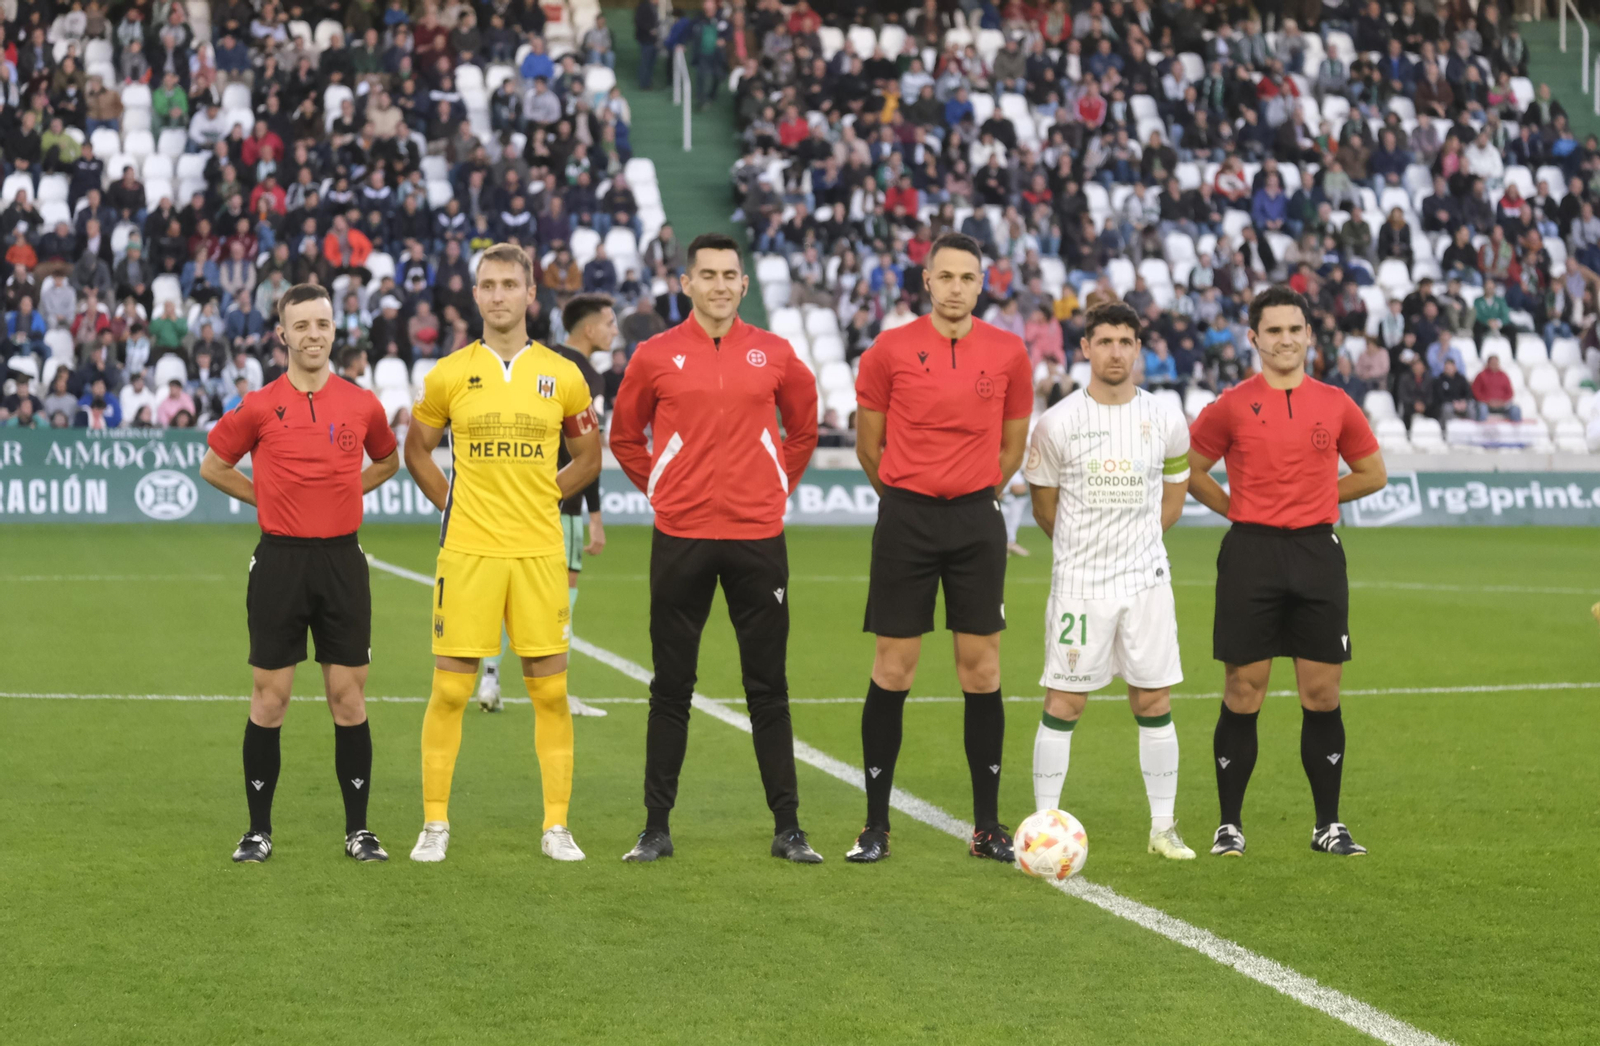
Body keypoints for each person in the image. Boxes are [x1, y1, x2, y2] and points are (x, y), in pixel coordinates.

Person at [609, 233, 822, 864]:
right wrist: (666, 489)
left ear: (744, 284)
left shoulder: (776, 353)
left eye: (730, 275)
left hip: (758, 537)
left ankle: (788, 828)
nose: (720, 285)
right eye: (708, 275)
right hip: (682, 536)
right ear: (687, 284)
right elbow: (625, 438)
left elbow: (804, 427)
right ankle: (655, 828)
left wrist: (775, 482)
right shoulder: (654, 355)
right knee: (671, 685)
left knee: (768, 686)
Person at [404, 244, 603, 864]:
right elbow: (416, 450)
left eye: (509, 285)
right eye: (487, 285)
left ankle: (556, 827)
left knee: (548, 692)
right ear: (476, 295)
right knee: (451, 692)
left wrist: (550, 496)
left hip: (539, 552)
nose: (497, 295)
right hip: (468, 553)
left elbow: (589, 458)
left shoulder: (563, 374)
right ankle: (435, 824)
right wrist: (451, 504)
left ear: (529, 295)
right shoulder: (447, 373)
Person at [846, 232, 1032, 864]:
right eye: (945, 277)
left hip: (977, 522)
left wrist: (971, 494)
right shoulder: (889, 349)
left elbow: (1011, 449)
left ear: (982, 285)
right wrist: (910, 496)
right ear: (926, 282)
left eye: (968, 278)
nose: (956, 288)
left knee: (981, 668)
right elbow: (869, 448)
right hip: (906, 521)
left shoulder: (1009, 352)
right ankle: (875, 825)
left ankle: (987, 827)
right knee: (893, 668)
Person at [200, 284, 401, 864]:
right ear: (282, 334)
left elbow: (387, 457)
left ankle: (358, 831)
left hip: (342, 561)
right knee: (271, 698)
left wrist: (347, 489)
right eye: (302, 325)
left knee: (348, 697)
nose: (314, 335)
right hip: (280, 561)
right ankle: (258, 831)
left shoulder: (362, 404)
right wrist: (264, 497)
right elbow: (213, 464)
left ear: (334, 329)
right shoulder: (260, 404)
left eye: (323, 324)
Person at [1186, 286, 1388, 859]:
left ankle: (1329, 825)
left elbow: (1373, 472)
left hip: (1317, 554)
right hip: (1251, 554)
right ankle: (1230, 825)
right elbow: (1192, 468)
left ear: (1308, 337)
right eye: (1273, 331)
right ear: (1254, 339)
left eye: (1294, 330)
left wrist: (1321, 495)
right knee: (1243, 689)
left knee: (1321, 692)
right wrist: (1234, 507)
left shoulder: (1336, 402)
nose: (1285, 340)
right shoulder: (1230, 404)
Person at [1023, 301, 1195, 860]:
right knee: (1064, 701)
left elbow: (1173, 498)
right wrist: (1084, 551)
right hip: (1080, 585)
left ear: (1138, 348)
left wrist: (1139, 543)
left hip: (1146, 582)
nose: (1116, 351)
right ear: (1085, 349)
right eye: (1105, 341)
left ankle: (1163, 828)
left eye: (1126, 341)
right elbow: (1044, 509)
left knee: (1153, 698)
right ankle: (1045, 825)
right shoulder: (1057, 424)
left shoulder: (1165, 419)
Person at [476, 293, 613, 720]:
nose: (613, 331)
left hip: (516, 496)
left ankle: (490, 676)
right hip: (562, 500)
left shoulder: (541, 360)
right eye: (609, 323)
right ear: (589, 329)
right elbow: (587, 454)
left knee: (502, 587)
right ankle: (558, 690)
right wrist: (595, 515)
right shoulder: (588, 376)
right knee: (560, 595)